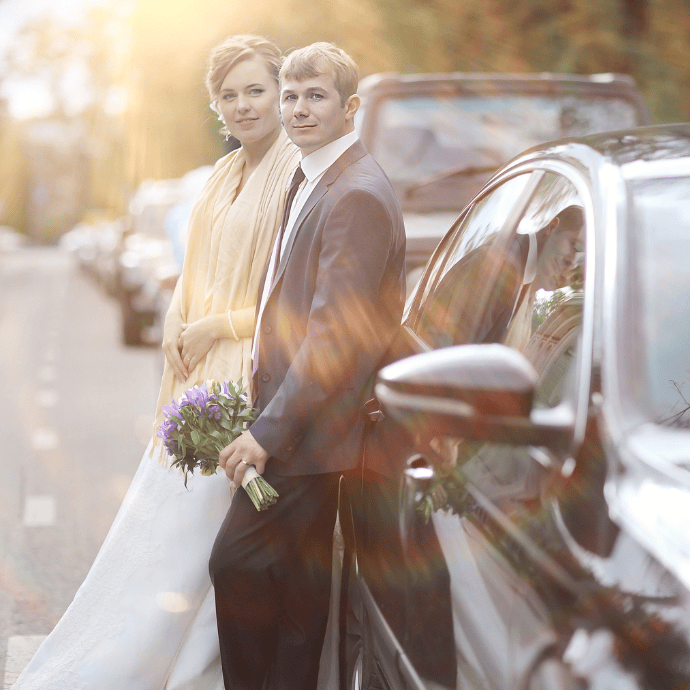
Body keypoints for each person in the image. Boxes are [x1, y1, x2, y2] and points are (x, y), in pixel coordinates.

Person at [12, 35, 300, 690]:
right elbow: (196, 272)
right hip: (199, 383)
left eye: (256, 90)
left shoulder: (294, 174)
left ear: (282, 94)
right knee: (162, 547)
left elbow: (292, 300)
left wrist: (214, 326)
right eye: (228, 95)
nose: (243, 105)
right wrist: (178, 322)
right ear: (215, 108)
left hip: (250, 378)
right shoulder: (224, 177)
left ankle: (188, 675)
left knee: (203, 550)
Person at [208, 42, 406, 690]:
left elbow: (334, 336)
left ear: (350, 107)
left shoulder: (355, 194)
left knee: (234, 564)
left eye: (315, 96)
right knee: (298, 591)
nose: (297, 109)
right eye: (289, 95)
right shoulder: (313, 174)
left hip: (311, 433)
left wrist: (266, 435)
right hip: (302, 423)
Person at [419, 205, 584, 348]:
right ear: (552, 226)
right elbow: (455, 356)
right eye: (574, 245)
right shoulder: (500, 268)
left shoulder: (528, 280)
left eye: (581, 259)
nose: (572, 262)